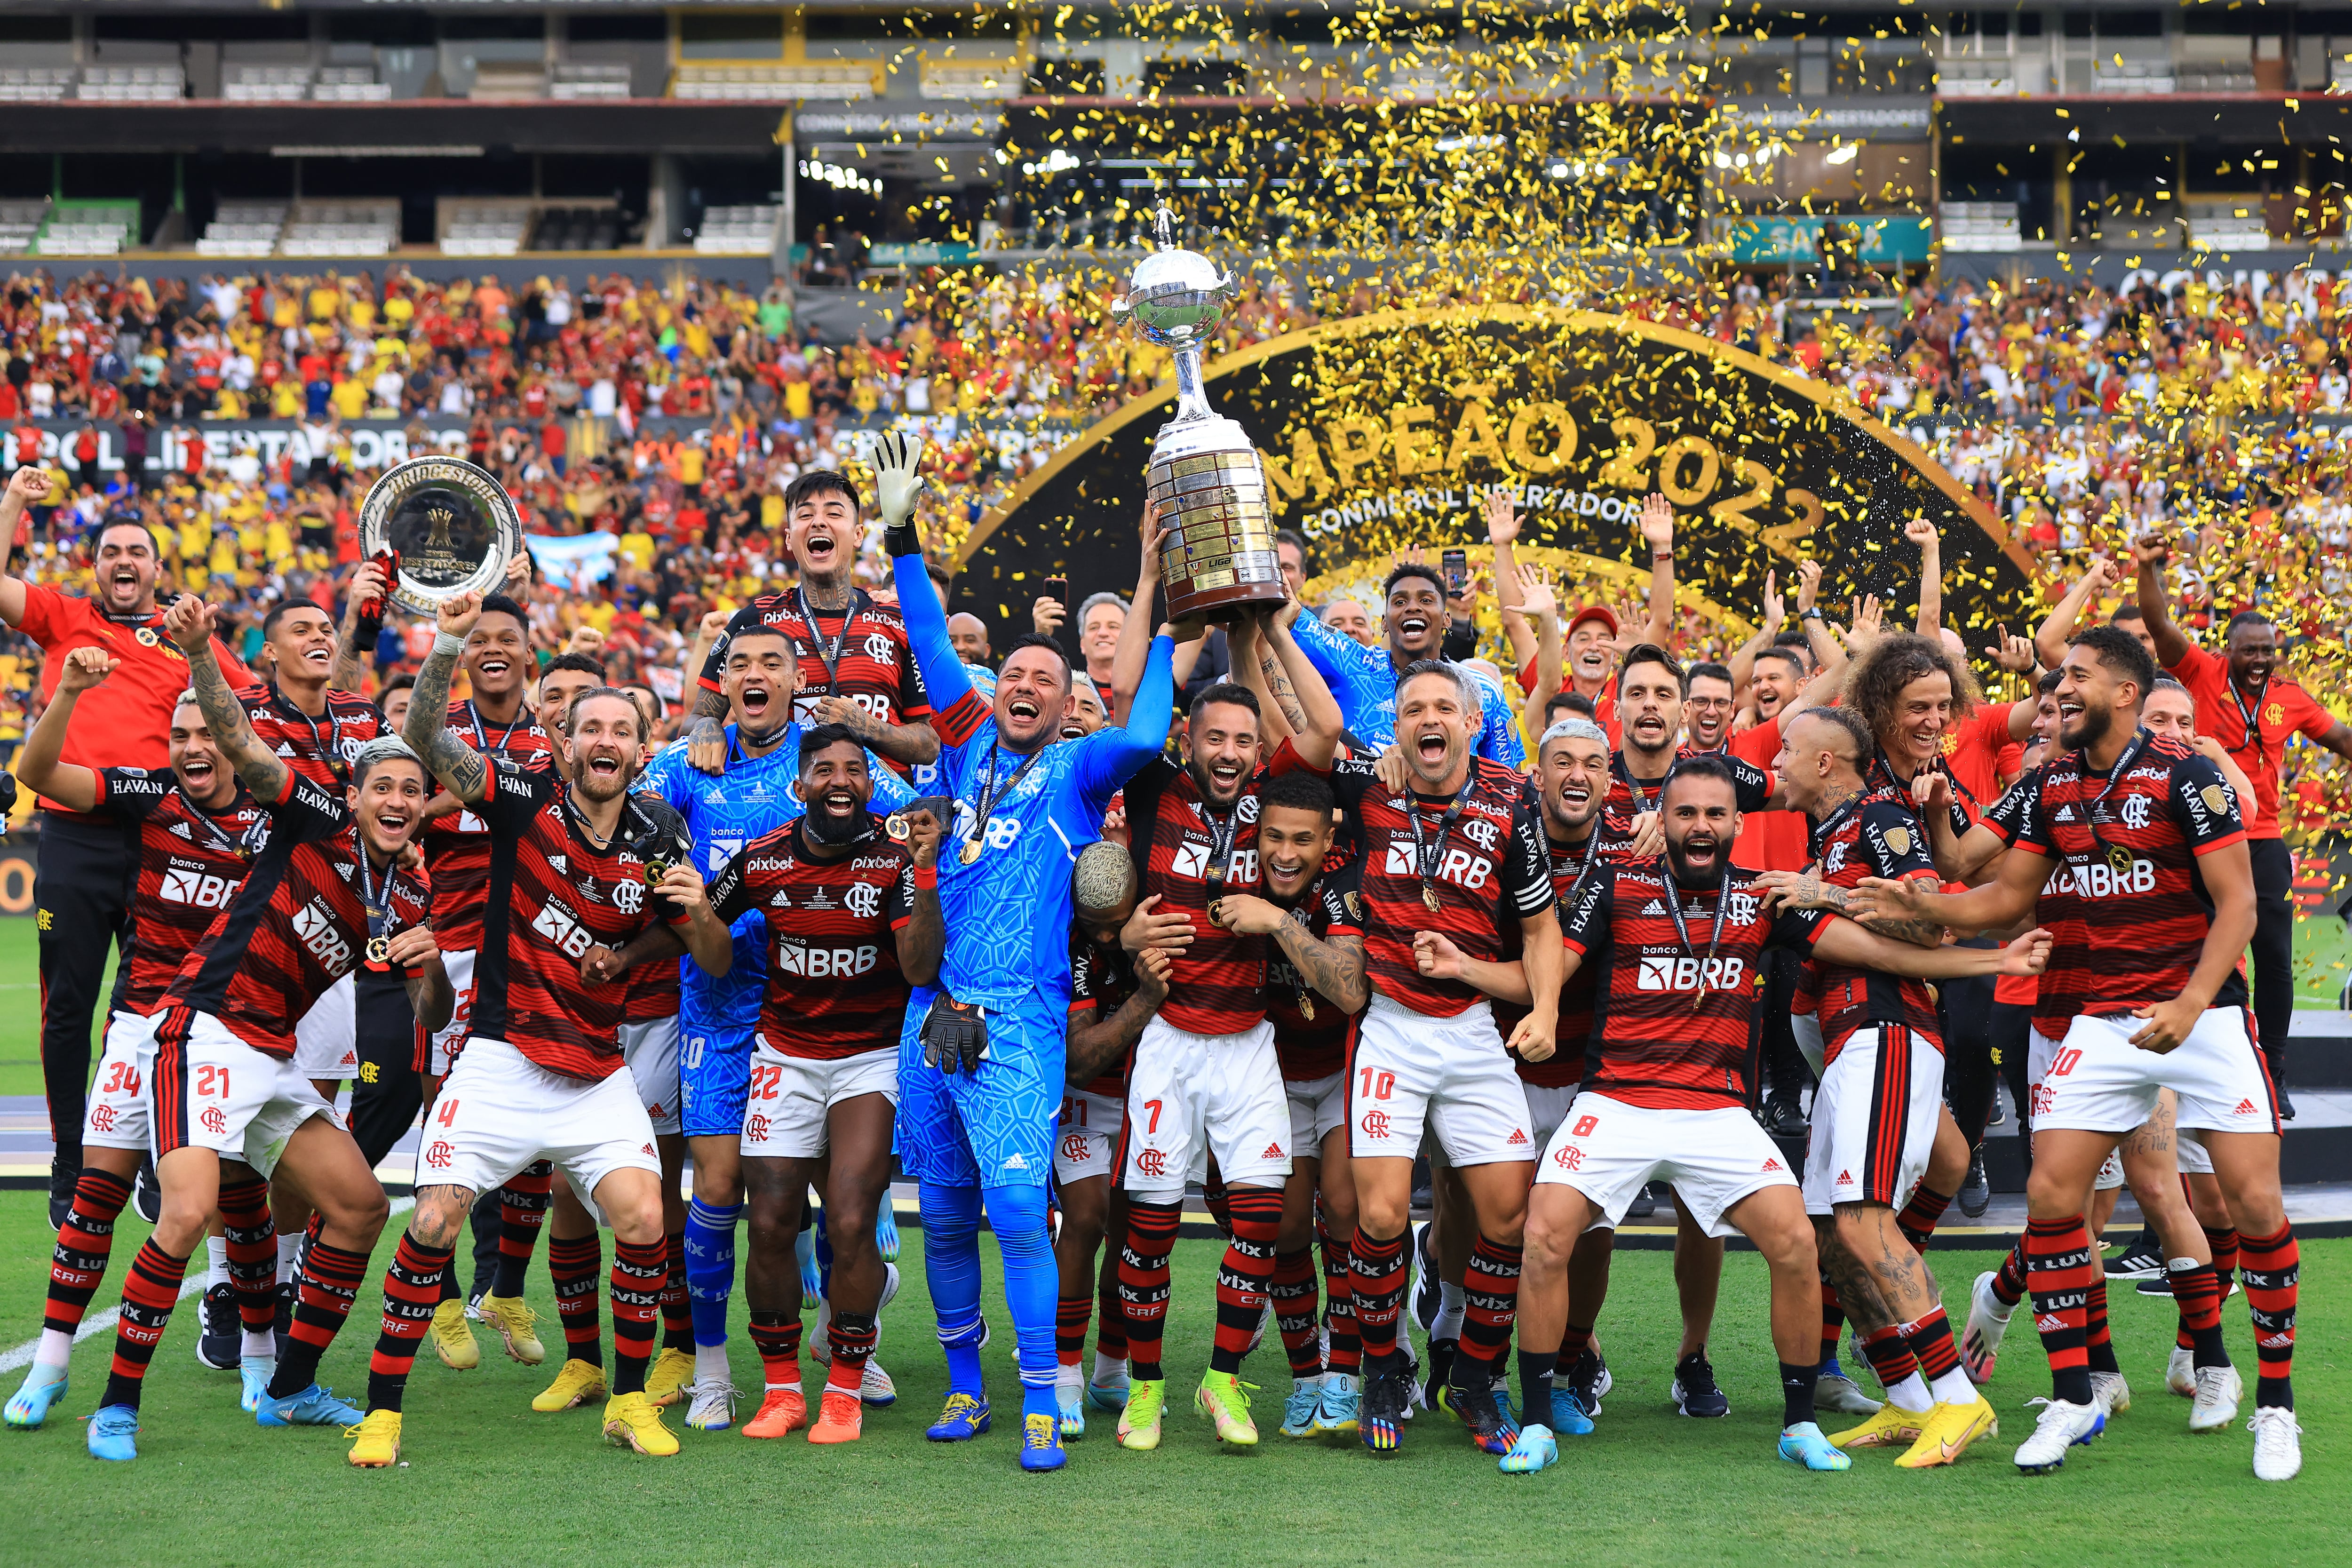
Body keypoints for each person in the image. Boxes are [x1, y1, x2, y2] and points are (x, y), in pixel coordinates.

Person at [1500, 755, 2050, 1476]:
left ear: (1737, 823)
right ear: (1660, 821)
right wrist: (1541, 1011)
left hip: (1718, 1112)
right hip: (1618, 1099)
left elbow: (1877, 950)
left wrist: (1994, 963)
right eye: (1685, 813)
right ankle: (1537, 1421)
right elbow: (1554, 956)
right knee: (1545, 1234)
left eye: (1715, 814)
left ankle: (1799, 1423)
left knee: (1795, 1239)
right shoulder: (1617, 880)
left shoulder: (1764, 899)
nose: (1700, 826)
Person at [1856, 627, 2299, 1482]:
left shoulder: (2186, 772)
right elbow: (1996, 895)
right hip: (2101, 1024)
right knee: (2055, 1199)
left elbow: (2239, 906)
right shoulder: (2050, 782)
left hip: (2203, 1016)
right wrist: (1914, 892)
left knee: (2253, 1202)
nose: (2062, 687)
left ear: (2124, 694)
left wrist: (2192, 999)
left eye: (2080, 676)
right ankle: (2072, 1397)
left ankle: (2275, 1408)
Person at [348, 589, 725, 1467]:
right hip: (501, 1058)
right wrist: (444, 637)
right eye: (589, 727)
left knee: (641, 1218)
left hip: (595, 1070)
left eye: (621, 731)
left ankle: (627, 1400)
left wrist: (671, 929)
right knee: (436, 1219)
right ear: (565, 742)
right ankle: (382, 1412)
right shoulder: (520, 796)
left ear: (641, 748)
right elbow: (428, 739)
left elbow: (701, 951)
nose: (604, 741)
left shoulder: (660, 828)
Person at [81, 593, 448, 1463]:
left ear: (425, 806)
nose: (395, 799)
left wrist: (429, 965)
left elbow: (430, 1014)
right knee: (188, 1213)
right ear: (353, 795)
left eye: (410, 790)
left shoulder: (411, 893)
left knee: (360, 1208)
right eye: (381, 787)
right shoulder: (310, 817)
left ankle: (289, 1388)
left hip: (273, 1054)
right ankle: (117, 1403)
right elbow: (243, 745)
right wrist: (204, 654)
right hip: (203, 1030)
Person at [876, 430, 1175, 1472]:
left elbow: (1142, 736)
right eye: (1012, 670)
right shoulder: (962, 747)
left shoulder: (1076, 776)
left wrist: (1169, 630)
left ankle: (1041, 1399)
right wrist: (904, 538)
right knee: (948, 1213)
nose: (1024, 684)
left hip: (1021, 1020)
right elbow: (923, 640)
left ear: (1061, 702)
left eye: (1044, 678)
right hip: (936, 1015)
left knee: (1015, 1206)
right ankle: (965, 1392)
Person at [630, 621, 912, 1431]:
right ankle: (715, 1371)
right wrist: (696, 723)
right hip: (724, 1015)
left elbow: (914, 818)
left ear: (797, 681)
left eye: (772, 663)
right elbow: (631, 814)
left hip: (841, 1017)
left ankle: (842, 1336)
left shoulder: (833, 759)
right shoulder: (691, 757)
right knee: (724, 1194)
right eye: (739, 665)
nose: (756, 674)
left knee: (844, 1206)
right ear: (723, 683)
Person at [1280, 660, 1562, 1457]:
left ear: (1474, 723)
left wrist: (1541, 1010)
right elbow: (1297, 745)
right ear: (1397, 725)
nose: (1430, 719)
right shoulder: (1369, 786)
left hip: (1474, 1027)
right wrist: (1266, 629)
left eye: (1446, 707)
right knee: (1377, 1215)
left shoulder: (1512, 798)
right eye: (1415, 709)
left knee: (1508, 1219)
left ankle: (1473, 1376)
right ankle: (1381, 1367)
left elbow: (1540, 927)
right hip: (1393, 1027)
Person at [4, 650, 268, 1429]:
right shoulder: (146, 794)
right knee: (97, 1197)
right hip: (143, 1028)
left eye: (208, 732)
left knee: (242, 1197)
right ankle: (51, 1364)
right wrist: (69, 693)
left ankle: (258, 1355)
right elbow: (41, 772)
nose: (191, 746)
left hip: (230, 1034)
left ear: (235, 737)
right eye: (180, 732)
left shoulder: (272, 812)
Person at [1102, 605, 1341, 1452]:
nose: (1233, 752)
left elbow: (1327, 727)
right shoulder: (1152, 786)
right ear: (1191, 740)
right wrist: (1178, 617)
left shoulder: (1274, 799)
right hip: (1167, 1044)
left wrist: (1268, 629)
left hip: (1249, 1045)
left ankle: (1222, 1381)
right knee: (1151, 1229)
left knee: (1264, 1223)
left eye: (1244, 739)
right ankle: (1146, 1389)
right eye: (1216, 738)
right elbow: (1134, 699)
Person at [664, 728, 942, 1445]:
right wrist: (698, 910)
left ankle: (844, 1389)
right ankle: (784, 1389)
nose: (842, 781)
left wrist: (926, 874)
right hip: (782, 1057)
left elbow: (917, 970)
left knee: (851, 1221)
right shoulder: (760, 859)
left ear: (871, 786)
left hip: (868, 1060)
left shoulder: (894, 861)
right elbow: (717, 956)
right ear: (802, 783)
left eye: (856, 770)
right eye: (826, 769)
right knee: (770, 1222)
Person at [0, 468, 252, 1225]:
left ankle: (144, 1149)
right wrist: (13, 502)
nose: (124, 562)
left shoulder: (183, 640)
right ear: (96, 563)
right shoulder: (63, 615)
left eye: (137, 552)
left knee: (153, 1007)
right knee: (67, 1007)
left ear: (155, 569)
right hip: (75, 834)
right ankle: (70, 1158)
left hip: (161, 836)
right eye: (112, 550)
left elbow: (247, 713)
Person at [1755, 706, 2002, 1467]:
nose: (1778, 759)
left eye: (1789, 748)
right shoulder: (1831, 832)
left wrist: (1822, 895)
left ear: (1828, 760)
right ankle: (1908, 1396)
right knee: (1833, 1235)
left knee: (1863, 1220)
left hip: (1885, 1030)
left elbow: (1933, 928)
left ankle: (1959, 1398)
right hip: (1851, 1038)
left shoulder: (1882, 814)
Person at [2133, 534, 2352, 1114]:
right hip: (2197, 837)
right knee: (2198, 949)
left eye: (2266, 651)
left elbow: (2341, 740)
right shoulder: (2201, 673)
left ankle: (2271, 1071)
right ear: (2228, 651)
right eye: (2248, 651)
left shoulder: (2288, 698)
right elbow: (2157, 625)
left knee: (2273, 961)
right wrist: (2148, 568)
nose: (2258, 660)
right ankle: (2187, 1058)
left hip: (2262, 842)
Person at [408, 589, 557, 1373]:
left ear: (530, 654)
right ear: (464, 656)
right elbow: (397, 811)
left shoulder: (551, 740)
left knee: (534, 1127)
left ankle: (504, 1285)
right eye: (480, 639)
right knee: (445, 1124)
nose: (493, 648)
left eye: (509, 637)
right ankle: (438, 1292)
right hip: (456, 950)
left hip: (535, 957)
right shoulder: (441, 734)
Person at [1203, 766, 1369, 1441]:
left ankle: (1349, 1372)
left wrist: (1274, 922)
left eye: (1302, 839)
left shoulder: (1344, 885)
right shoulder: (1229, 872)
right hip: (1267, 1073)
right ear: (1256, 831)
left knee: (1351, 1210)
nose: (1285, 853)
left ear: (1329, 838)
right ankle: (1305, 1376)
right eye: (1273, 836)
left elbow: (1350, 990)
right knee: (1289, 1227)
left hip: (1341, 1070)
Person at [685, 468, 938, 772]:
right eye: (805, 515)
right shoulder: (755, 622)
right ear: (790, 539)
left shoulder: (895, 621)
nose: (819, 522)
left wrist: (868, 727)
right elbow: (697, 718)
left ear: (858, 535)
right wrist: (705, 728)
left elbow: (928, 744)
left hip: (880, 810)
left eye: (834, 513)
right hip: (786, 807)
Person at [1053, 843, 1171, 1436]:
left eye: (1115, 925)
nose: (1103, 939)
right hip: (1084, 1098)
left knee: (1131, 1235)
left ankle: (1109, 1372)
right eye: (1092, 926)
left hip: (1143, 1095)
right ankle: (1064, 1373)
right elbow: (1079, 1058)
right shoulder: (1075, 941)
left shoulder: (1164, 920)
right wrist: (1146, 1000)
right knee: (1083, 1218)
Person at [1289, 556, 1525, 766]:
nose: (1413, 607)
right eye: (1400, 602)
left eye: (1426, 600)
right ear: (1384, 622)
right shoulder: (1354, 663)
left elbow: (1510, 785)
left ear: (1446, 619)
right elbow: (1294, 617)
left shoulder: (1483, 691)